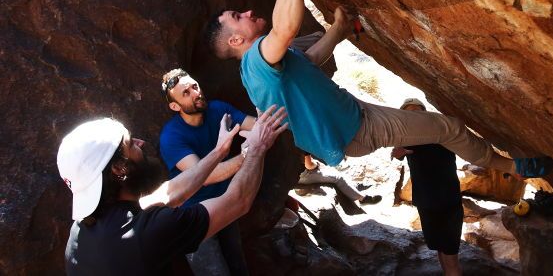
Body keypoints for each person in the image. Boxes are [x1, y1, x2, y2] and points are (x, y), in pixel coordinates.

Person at [203, 0, 553, 178]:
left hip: (352, 115)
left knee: (302, 49)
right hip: (358, 129)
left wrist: (338, 32)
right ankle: (514, 167)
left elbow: (306, 62)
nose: (247, 12)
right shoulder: (255, 61)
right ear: (236, 41)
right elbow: (285, 28)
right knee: (449, 129)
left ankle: (508, 165)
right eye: (238, 17)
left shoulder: (262, 68)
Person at [56, 106, 287, 275]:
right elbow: (238, 200)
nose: (140, 142)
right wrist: (258, 147)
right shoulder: (148, 233)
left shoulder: (82, 229)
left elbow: (169, 193)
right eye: (130, 144)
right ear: (118, 168)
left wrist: (218, 152)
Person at [159, 68, 256, 275]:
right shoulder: (171, 136)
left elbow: (255, 126)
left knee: (238, 264)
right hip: (192, 215)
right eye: (186, 93)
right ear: (175, 106)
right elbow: (205, 177)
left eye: (195, 86)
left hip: (223, 201)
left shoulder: (217, 109)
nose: (196, 93)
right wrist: (249, 153)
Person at [392, 98, 463, 276]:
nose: (415, 115)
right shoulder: (406, 137)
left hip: (448, 202)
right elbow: (397, 152)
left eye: (418, 111)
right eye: (410, 112)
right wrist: (398, 152)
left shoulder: (441, 134)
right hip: (426, 203)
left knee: (451, 255)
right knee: (440, 247)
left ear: (426, 114)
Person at [298, 154, 382, 206]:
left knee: (335, 171)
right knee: (338, 178)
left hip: (301, 174)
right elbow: (309, 165)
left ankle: (354, 188)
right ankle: (362, 199)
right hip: (303, 176)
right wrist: (315, 163)